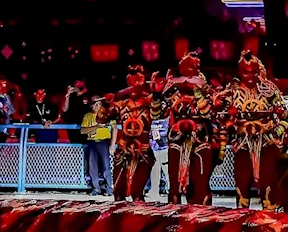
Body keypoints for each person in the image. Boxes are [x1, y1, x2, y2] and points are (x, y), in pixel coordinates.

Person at [214, 51, 288, 209]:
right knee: (241, 184)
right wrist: (229, 117)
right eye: (245, 72)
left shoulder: (268, 89)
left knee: (267, 184)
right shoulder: (232, 91)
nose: (249, 76)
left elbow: (285, 115)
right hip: (242, 143)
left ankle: (270, 222)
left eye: (253, 72)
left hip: (267, 141)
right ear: (240, 72)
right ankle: (241, 222)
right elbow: (221, 116)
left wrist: (278, 128)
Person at [155, 51, 215, 205]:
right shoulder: (171, 88)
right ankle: (174, 213)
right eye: (188, 65)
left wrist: (196, 91)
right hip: (177, 137)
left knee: (200, 183)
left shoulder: (204, 86)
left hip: (200, 136)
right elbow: (156, 114)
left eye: (195, 65)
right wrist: (156, 94)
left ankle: (201, 214)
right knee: (174, 184)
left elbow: (207, 112)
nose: (192, 68)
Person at [111, 67, 154, 201]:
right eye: (132, 81)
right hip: (124, 148)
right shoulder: (121, 103)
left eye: (138, 80)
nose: (135, 84)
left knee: (137, 193)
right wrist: (108, 105)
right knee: (118, 192)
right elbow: (104, 118)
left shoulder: (150, 102)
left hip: (143, 149)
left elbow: (159, 112)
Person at [80, 95, 114, 196]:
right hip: (92, 142)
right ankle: (96, 188)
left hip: (104, 142)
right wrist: (96, 127)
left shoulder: (107, 114)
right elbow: (82, 130)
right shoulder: (88, 116)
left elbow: (114, 128)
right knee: (92, 166)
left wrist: (112, 144)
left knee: (106, 166)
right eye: (95, 104)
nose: (97, 106)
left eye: (99, 103)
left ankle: (108, 188)